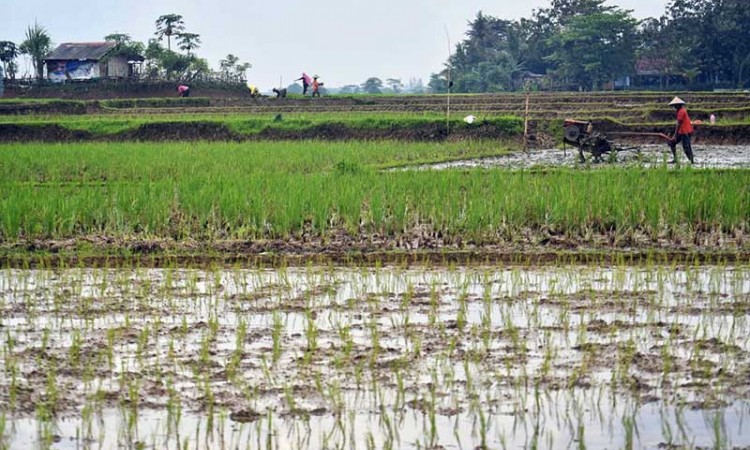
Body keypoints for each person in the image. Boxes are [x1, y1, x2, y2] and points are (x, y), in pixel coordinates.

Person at [668, 97, 694, 164]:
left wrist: (674, 135)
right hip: (682, 131)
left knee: (686, 147)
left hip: (685, 131)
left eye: (675, 105)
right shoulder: (680, 111)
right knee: (671, 143)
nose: (674, 107)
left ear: (679, 105)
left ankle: (692, 161)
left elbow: (678, 124)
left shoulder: (681, 111)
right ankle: (675, 159)